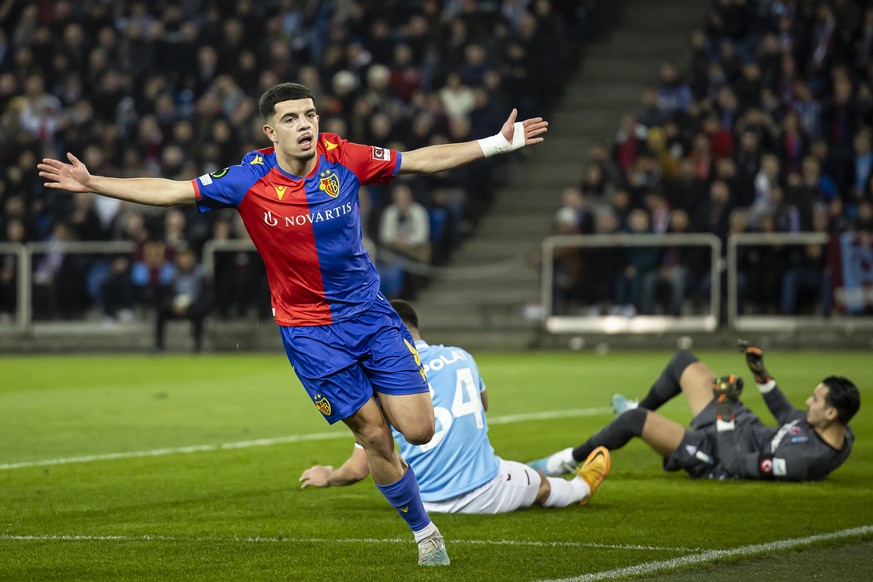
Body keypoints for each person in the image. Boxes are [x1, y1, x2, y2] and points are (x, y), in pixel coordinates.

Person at [37, 82, 548, 566]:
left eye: (310, 115)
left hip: (370, 316)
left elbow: (418, 160)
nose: (305, 125)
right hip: (309, 333)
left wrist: (494, 146)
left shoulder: (342, 155)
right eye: (291, 119)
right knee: (374, 437)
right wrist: (94, 183)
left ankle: (382, 396)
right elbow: (170, 191)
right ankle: (424, 532)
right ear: (270, 132)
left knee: (419, 429)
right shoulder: (247, 179)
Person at [299, 300, 611, 513]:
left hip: (422, 501)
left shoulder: (382, 383)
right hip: (483, 491)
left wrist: (327, 476)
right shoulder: (461, 357)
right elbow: (483, 406)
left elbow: (356, 470)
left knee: (515, 470)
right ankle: (580, 488)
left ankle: (552, 464)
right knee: (540, 487)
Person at [528, 341, 860, 481]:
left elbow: (733, 464)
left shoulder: (805, 461)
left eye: (816, 400)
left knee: (632, 422)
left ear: (831, 413)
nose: (808, 404)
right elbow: (788, 414)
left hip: (715, 453)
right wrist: (761, 373)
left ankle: (566, 460)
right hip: (740, 425)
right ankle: (639, 411)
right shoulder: (836, 429)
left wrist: (725, 412)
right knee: (683, 362)